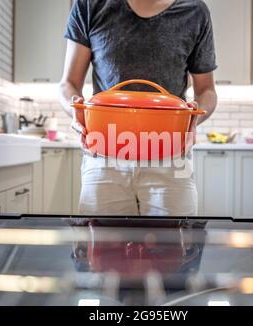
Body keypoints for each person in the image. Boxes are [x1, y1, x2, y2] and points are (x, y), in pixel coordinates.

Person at [59, 0, 217, 216]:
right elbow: (68, 84)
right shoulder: (90, 4)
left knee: (175, 244)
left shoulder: (195, 11)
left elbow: (207, 90)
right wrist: (78, 112)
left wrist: (193, 119)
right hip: (104, 154)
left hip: (171, 154)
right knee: (101, 243)